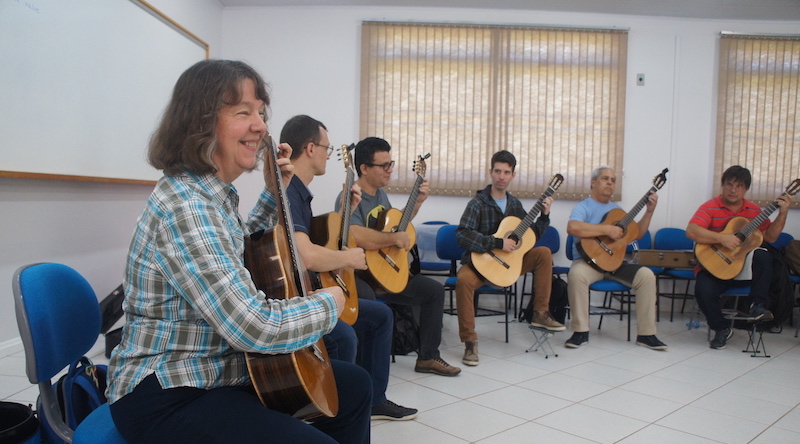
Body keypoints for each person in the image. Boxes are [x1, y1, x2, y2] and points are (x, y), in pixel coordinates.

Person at [106, 60, 371, 444]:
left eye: (261, 113)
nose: (261, 126)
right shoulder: (188, 207)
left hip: (220, 367)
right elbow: (254, 327)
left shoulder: (213, 196)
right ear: (199, 122)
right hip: (170, 392)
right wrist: (331, 300)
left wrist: (272, 190)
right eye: (243, 112)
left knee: (354, 386)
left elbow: (245, 252)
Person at [281, 114, 418, 421]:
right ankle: (337, 413)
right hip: (296, 296)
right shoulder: (290, 191)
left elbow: (321, 241)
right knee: (345, 336)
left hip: (312, 285)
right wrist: (349, 258)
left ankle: (374, 401)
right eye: (327, 149)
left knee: (381, 314)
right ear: (310, 148)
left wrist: (348, 213)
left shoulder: (302, 193)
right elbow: (308, 258)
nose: (329, 155)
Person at [335, 137, 461, 377]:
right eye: (384, 165)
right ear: (364, 168)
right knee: (367, 297)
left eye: (391, 163)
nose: (390, 169)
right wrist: (393, 240)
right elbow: (355, 234)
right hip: (363, 274)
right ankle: (364, 370)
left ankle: (428, 357)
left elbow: (395, 227)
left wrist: (418, 202)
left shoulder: (381, 195)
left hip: (386, 271)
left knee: (434, 291)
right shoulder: (351, 195)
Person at [454, 150, 565, 366]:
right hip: (479, 265)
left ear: (513, 175)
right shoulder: (477, 203)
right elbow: (462, 235)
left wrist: (544, 215)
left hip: (508, 265)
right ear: (491, 172)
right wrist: (496, 243)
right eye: (497, 171)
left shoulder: (515, 205)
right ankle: (470, 342)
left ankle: (540, 313)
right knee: (464, 281)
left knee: (542, 253)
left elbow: (531, 236)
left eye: (506, 172)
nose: (501, 176)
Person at [686, 165, 790, 349]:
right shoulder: (710, 207)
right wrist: (721, 238)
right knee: (702, 290)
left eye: (739, 186)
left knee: (763, 255)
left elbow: (771, 237)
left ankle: (757, 305)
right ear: (722, 185)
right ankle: (722, 329)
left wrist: (782, 213)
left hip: (742, 269)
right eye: (729, 185)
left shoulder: (754, 211)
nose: (733, 190)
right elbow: (692, 231)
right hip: (715, 268)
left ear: (746, 189)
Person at [565, 165, 668, 351]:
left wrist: (649, 211)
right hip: (589, 263)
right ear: (593, 182)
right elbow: (573, 227)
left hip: (615, 264)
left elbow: (637, 233)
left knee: (646, 275)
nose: (610, 183)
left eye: (613, 180)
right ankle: (580, 331)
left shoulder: (618, 211)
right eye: (605, 178)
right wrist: (607, 229)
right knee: (576, 274)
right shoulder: (584, 207)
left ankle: (647, 334)